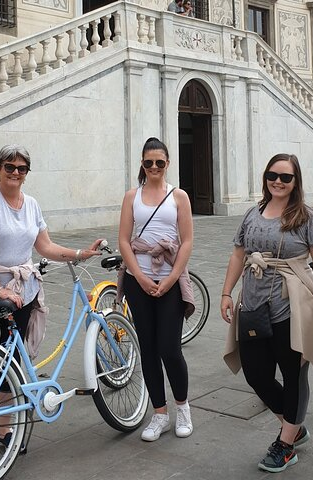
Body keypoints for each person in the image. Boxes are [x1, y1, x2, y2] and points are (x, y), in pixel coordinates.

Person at [0, 144, 104, 474]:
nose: (15, 172)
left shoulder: (31, 204)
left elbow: (44, 246)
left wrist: (79, 253)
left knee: (12, 364)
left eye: (21, 168)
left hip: (24, 293)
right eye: (9, 167)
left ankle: (4, 429)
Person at [219, 153, 313, 473]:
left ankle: (286, 442)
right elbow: (238, 255)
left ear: (296, 182)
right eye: (272, 175)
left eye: (286, 177)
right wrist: (226, 292)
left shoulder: (306, 217)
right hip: (252, 303)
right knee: (255, 373)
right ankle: (293, 425)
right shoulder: (252, 214)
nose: (278, 181)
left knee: (293, 373)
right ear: (265, 178)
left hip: (292, 305)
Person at [118, 137, 195, 442]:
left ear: (167, 164)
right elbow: (124, 240)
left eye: (159, 163)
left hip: (170, 280)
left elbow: (187, 240)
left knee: (169, 348)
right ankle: (159, 413)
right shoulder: (131, 197)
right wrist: (140, 277)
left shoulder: (179, 196)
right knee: (148, 349)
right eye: (148, 162)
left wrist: (171, 278)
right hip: (140, 281)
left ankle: (183, 407)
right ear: (141, 163)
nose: (153, 167)